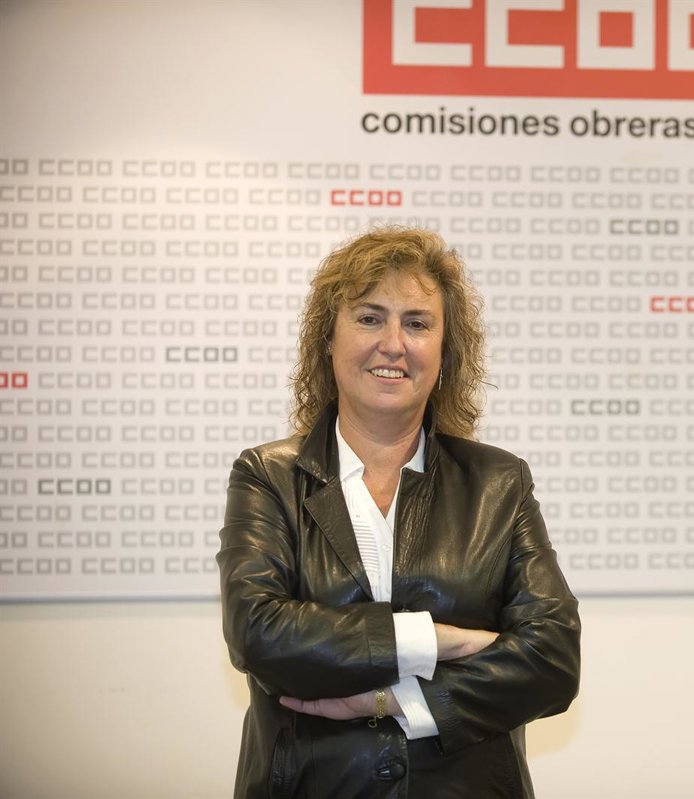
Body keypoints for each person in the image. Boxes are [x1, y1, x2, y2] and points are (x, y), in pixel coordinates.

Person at [217, 227, 581, 798]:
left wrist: (396, 700)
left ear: (445, 351)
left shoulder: (498, 483)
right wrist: (436, 639)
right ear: (328, 340)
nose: (393, 344)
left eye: (417, 323)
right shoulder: (268, 476)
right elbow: (258, 635)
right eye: (369, 318)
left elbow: (553, 660)